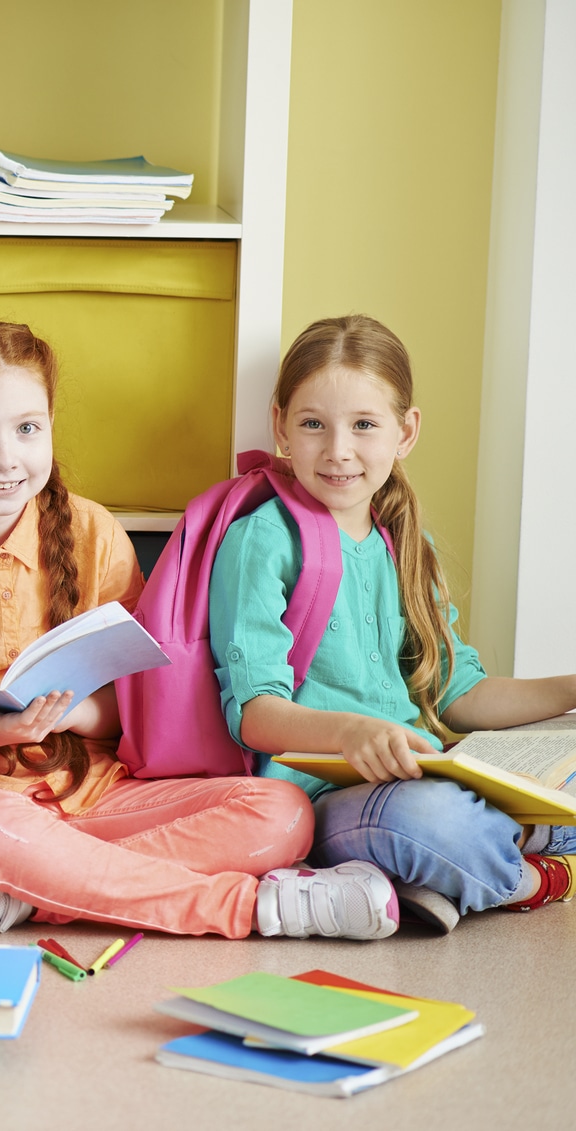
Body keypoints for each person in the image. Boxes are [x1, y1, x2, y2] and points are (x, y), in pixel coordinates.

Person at [0, 323, 399, 942]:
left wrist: (72, 713)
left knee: (282, 813)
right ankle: (249, 908)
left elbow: (136, 709)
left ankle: (28, 887)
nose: (4, 457)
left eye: (27, 428)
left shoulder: (95, 534)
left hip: (103, 794)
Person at [209, 314, 576, 933]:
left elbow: (458, 696)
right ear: (281, 426)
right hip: (325, 799)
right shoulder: (262, 542)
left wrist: (570, 691)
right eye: (312, 425)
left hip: (424, 769)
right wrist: (352, 733)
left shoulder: (406, 544)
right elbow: (253, 713)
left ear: (405, 432)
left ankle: (444, 873)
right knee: (433, 823)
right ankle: (533, 874)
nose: (338, 450)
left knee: (481, 793)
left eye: (363, 425)